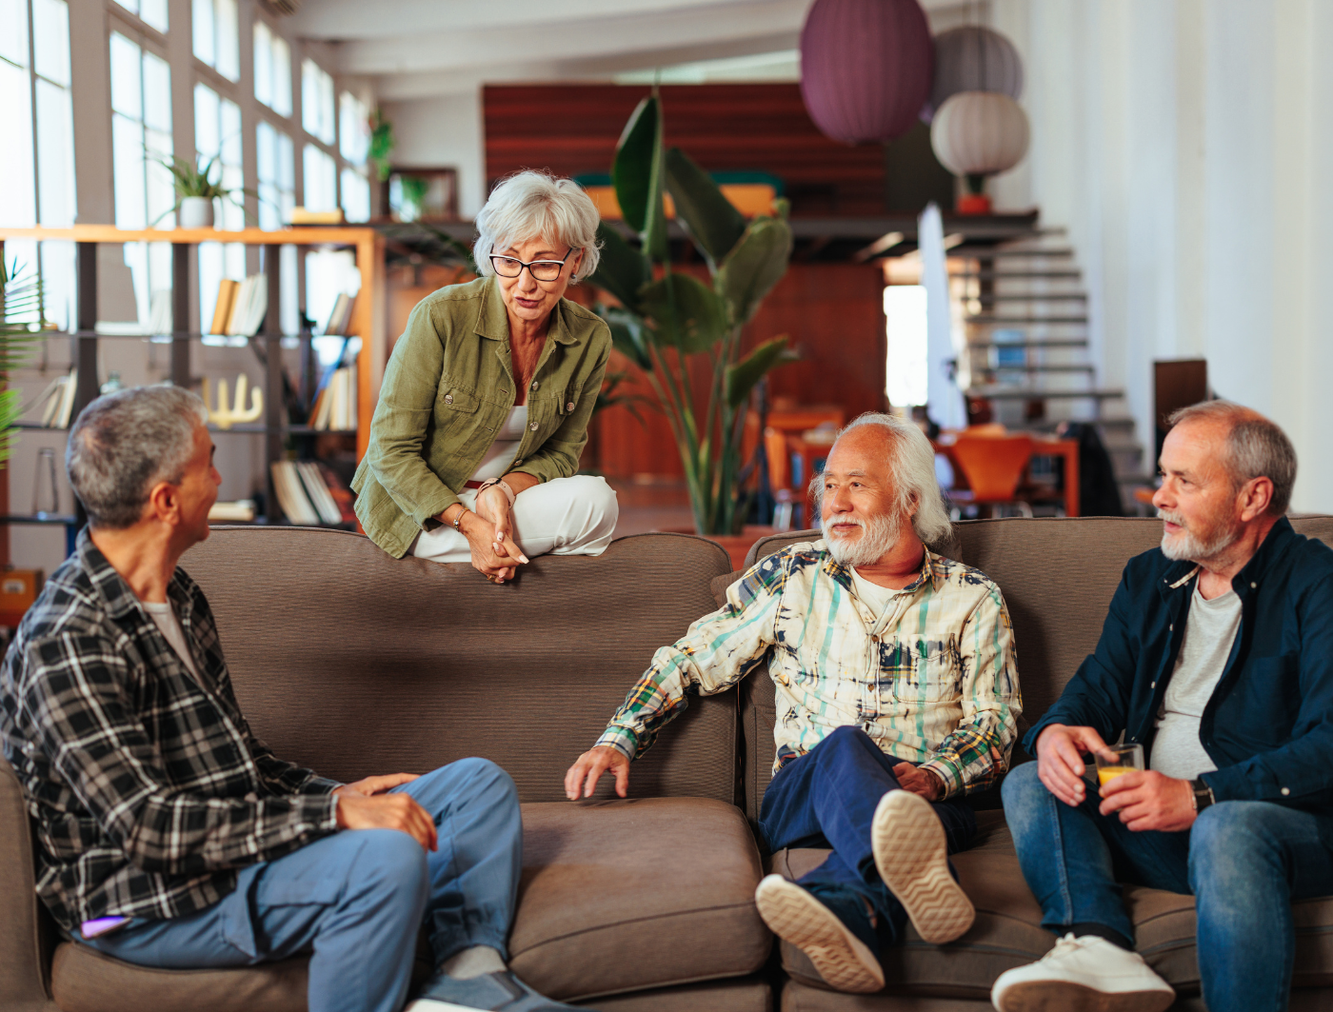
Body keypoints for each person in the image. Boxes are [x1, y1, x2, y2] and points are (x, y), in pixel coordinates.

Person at [0, 386, 581, 1012]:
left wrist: (333, 795)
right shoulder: (68, 639)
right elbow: (151, 828)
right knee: (383, 861)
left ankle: (464, 979)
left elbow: (241, 761)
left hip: (236, 844)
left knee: (478, 787)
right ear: (165, 502)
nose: (221, 480)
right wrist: (331, 819)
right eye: (208, 464)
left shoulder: (179, 596)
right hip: (145, 900)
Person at [565, 413, 1021, 994]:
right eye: (828, 486)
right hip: (803, 797)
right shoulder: (792, 576)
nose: (836, 503)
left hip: (929, 803)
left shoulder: (974, 599)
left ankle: (852, 906)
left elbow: (996, 724)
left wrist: (935, 777)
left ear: (909, 499)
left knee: (896, 812)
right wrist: (619, 737)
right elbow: (690, 658)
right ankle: (914, 877)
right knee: (846, 747)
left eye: (857, 484)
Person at [992, 402, 1333, 1012]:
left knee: (1228, 829)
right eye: (1162, 475)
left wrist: (1202, 796)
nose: (1158, 496)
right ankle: (1100, 946)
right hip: (1163, 825)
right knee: (1033, 782)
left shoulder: (1318, 584)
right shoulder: (1151, 577)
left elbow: (1329, 741)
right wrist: (1056, 732)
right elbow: (1096, 688)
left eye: (1185, 480)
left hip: (1275, 829)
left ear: (1253, 497)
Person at [353, 170, 617, 584]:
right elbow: (391, 449)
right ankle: (500, 550)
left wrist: (502, 492)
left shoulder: (589, 337)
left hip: (511, 503)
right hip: (427, 509)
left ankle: (496, 550)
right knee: (566, 544)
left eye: (545, 264)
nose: (524, 284)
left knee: (599, 502)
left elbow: (563, 454)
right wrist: (468, 523)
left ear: (576, 261)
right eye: (509, 261)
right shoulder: (440, 316)